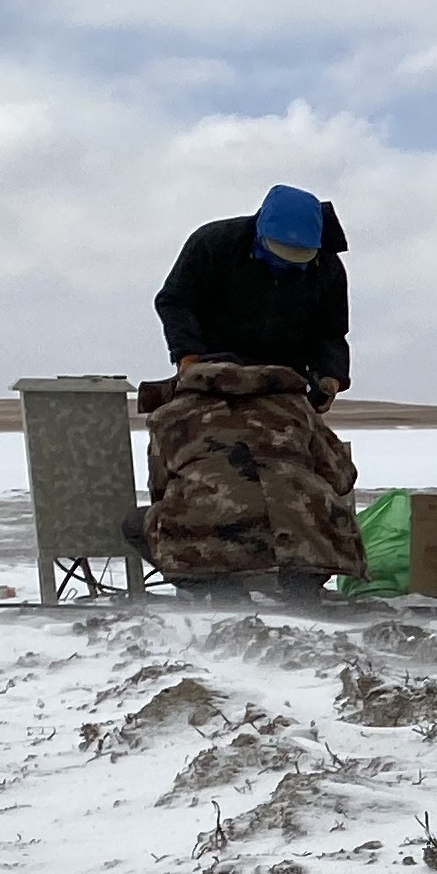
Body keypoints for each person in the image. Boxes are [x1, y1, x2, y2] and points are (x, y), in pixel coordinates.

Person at [142, 184, 362, 592]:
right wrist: (188, 355)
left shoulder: (177, 419)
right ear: (259, 230)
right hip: (211, 369)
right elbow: (175, 300)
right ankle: (286, 582)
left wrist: (330, 376)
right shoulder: (214, 243)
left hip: (282, 380)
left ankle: (222, 583)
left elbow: (332, 332)